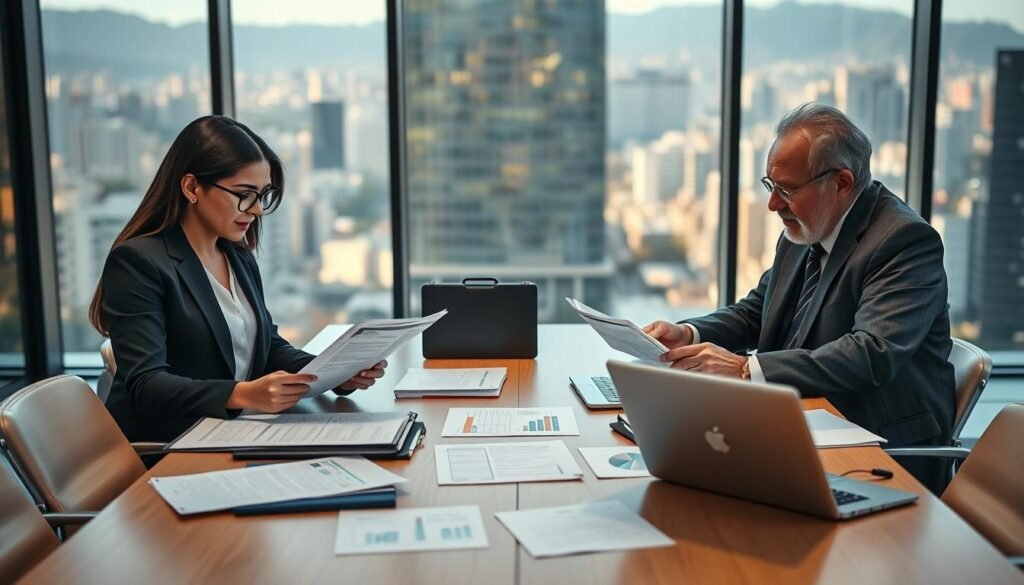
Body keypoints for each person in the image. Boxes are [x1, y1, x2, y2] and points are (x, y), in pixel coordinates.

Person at [644, 104, 955, 493]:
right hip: (798, 420)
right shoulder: (804, 227)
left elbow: (871, 353)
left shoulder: (904, 242)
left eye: (787, 190)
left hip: (877, 449)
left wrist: (745, 370)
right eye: (770, 186)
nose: (774, 204)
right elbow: (758, 311)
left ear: (842, 183)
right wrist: (689, 332)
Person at [89, 115, 387, 442]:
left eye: (263, 195)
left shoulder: (237, 254)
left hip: (235, 430)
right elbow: (147, 385)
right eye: (244, 194)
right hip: (172, 445)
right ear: (191, 188)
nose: (257, 209)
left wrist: (333, 373)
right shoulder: (139, 262)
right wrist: (242, 394)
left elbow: (266, 346)